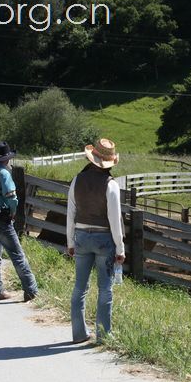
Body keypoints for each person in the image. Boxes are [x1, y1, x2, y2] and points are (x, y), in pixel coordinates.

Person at [67, 138, 125, 344]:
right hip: (103, 240)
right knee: (105, 288)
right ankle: (103, 334)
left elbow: (71, 213)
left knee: (79, 287)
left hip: (81, 237)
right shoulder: (111, 185)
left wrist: (70, 242)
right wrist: (120, 248)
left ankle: (78, 333)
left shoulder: (77, 180)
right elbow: (115, 220)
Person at [0, 141, 38, 302]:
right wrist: (13, 213)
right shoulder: (4, 174)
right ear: (7, 158)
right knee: (17, 255)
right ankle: (30, 290)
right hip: (2, 219)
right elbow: (12, 198)